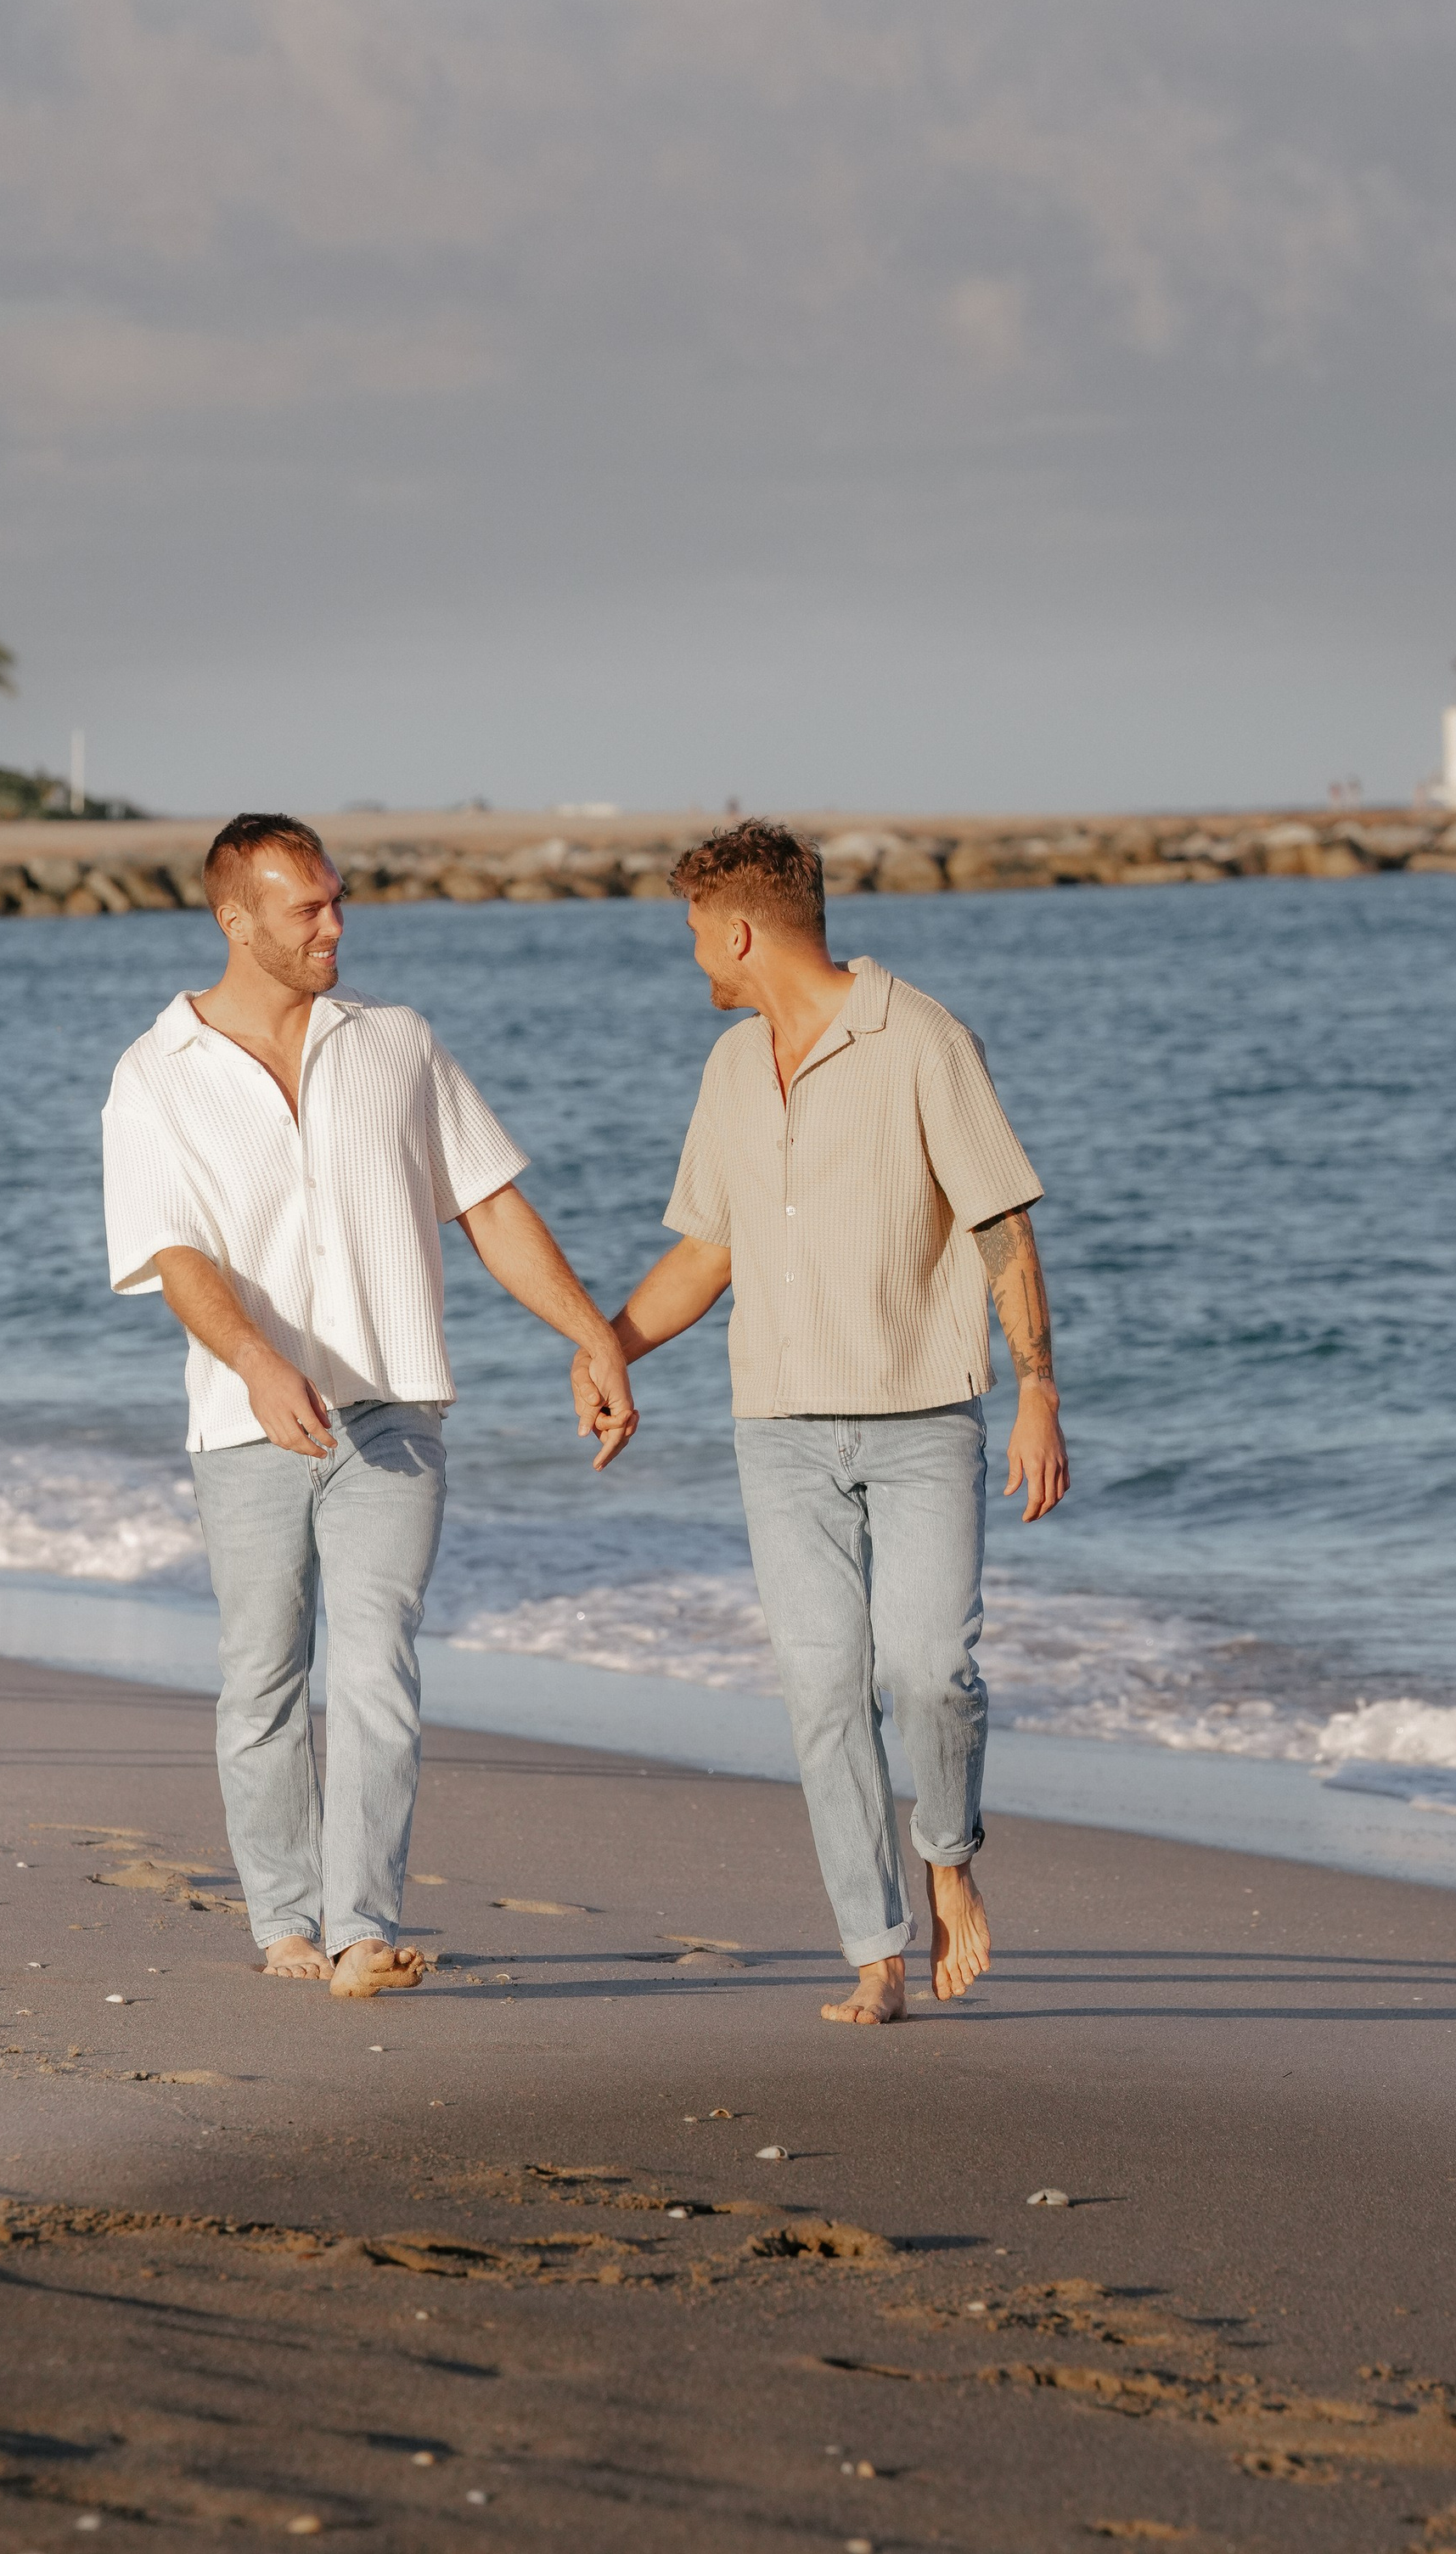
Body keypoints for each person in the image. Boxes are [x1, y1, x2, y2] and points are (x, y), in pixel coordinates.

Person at [103, 813, 636, 1997]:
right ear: (237, 920)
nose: (336, 924)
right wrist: (253, 1358)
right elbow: (173, 1252)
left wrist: (594, 1334)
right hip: (247, 1423)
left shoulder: (396, 1042)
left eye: (339, 899)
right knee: (264, 1673)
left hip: (394, 1410)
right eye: (309, 908)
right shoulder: (156, 1074)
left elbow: (489, 1205)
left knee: (379, 1658)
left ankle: (360, 1931)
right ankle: (284, 1925)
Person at [582, 820, 1066, 2026]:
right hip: (778, 1432)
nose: (692, 951)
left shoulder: (923, 1038)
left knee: (928, 1670)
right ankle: (874, 1949)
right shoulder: (733, 1070)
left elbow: (1002, 1224)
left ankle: (947, 1853)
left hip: (919, 1419)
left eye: (697, 929)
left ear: (740, 929)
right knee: (823, 1692)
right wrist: (611, 1345)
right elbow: (708, 1249)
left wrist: (1039, 1389)